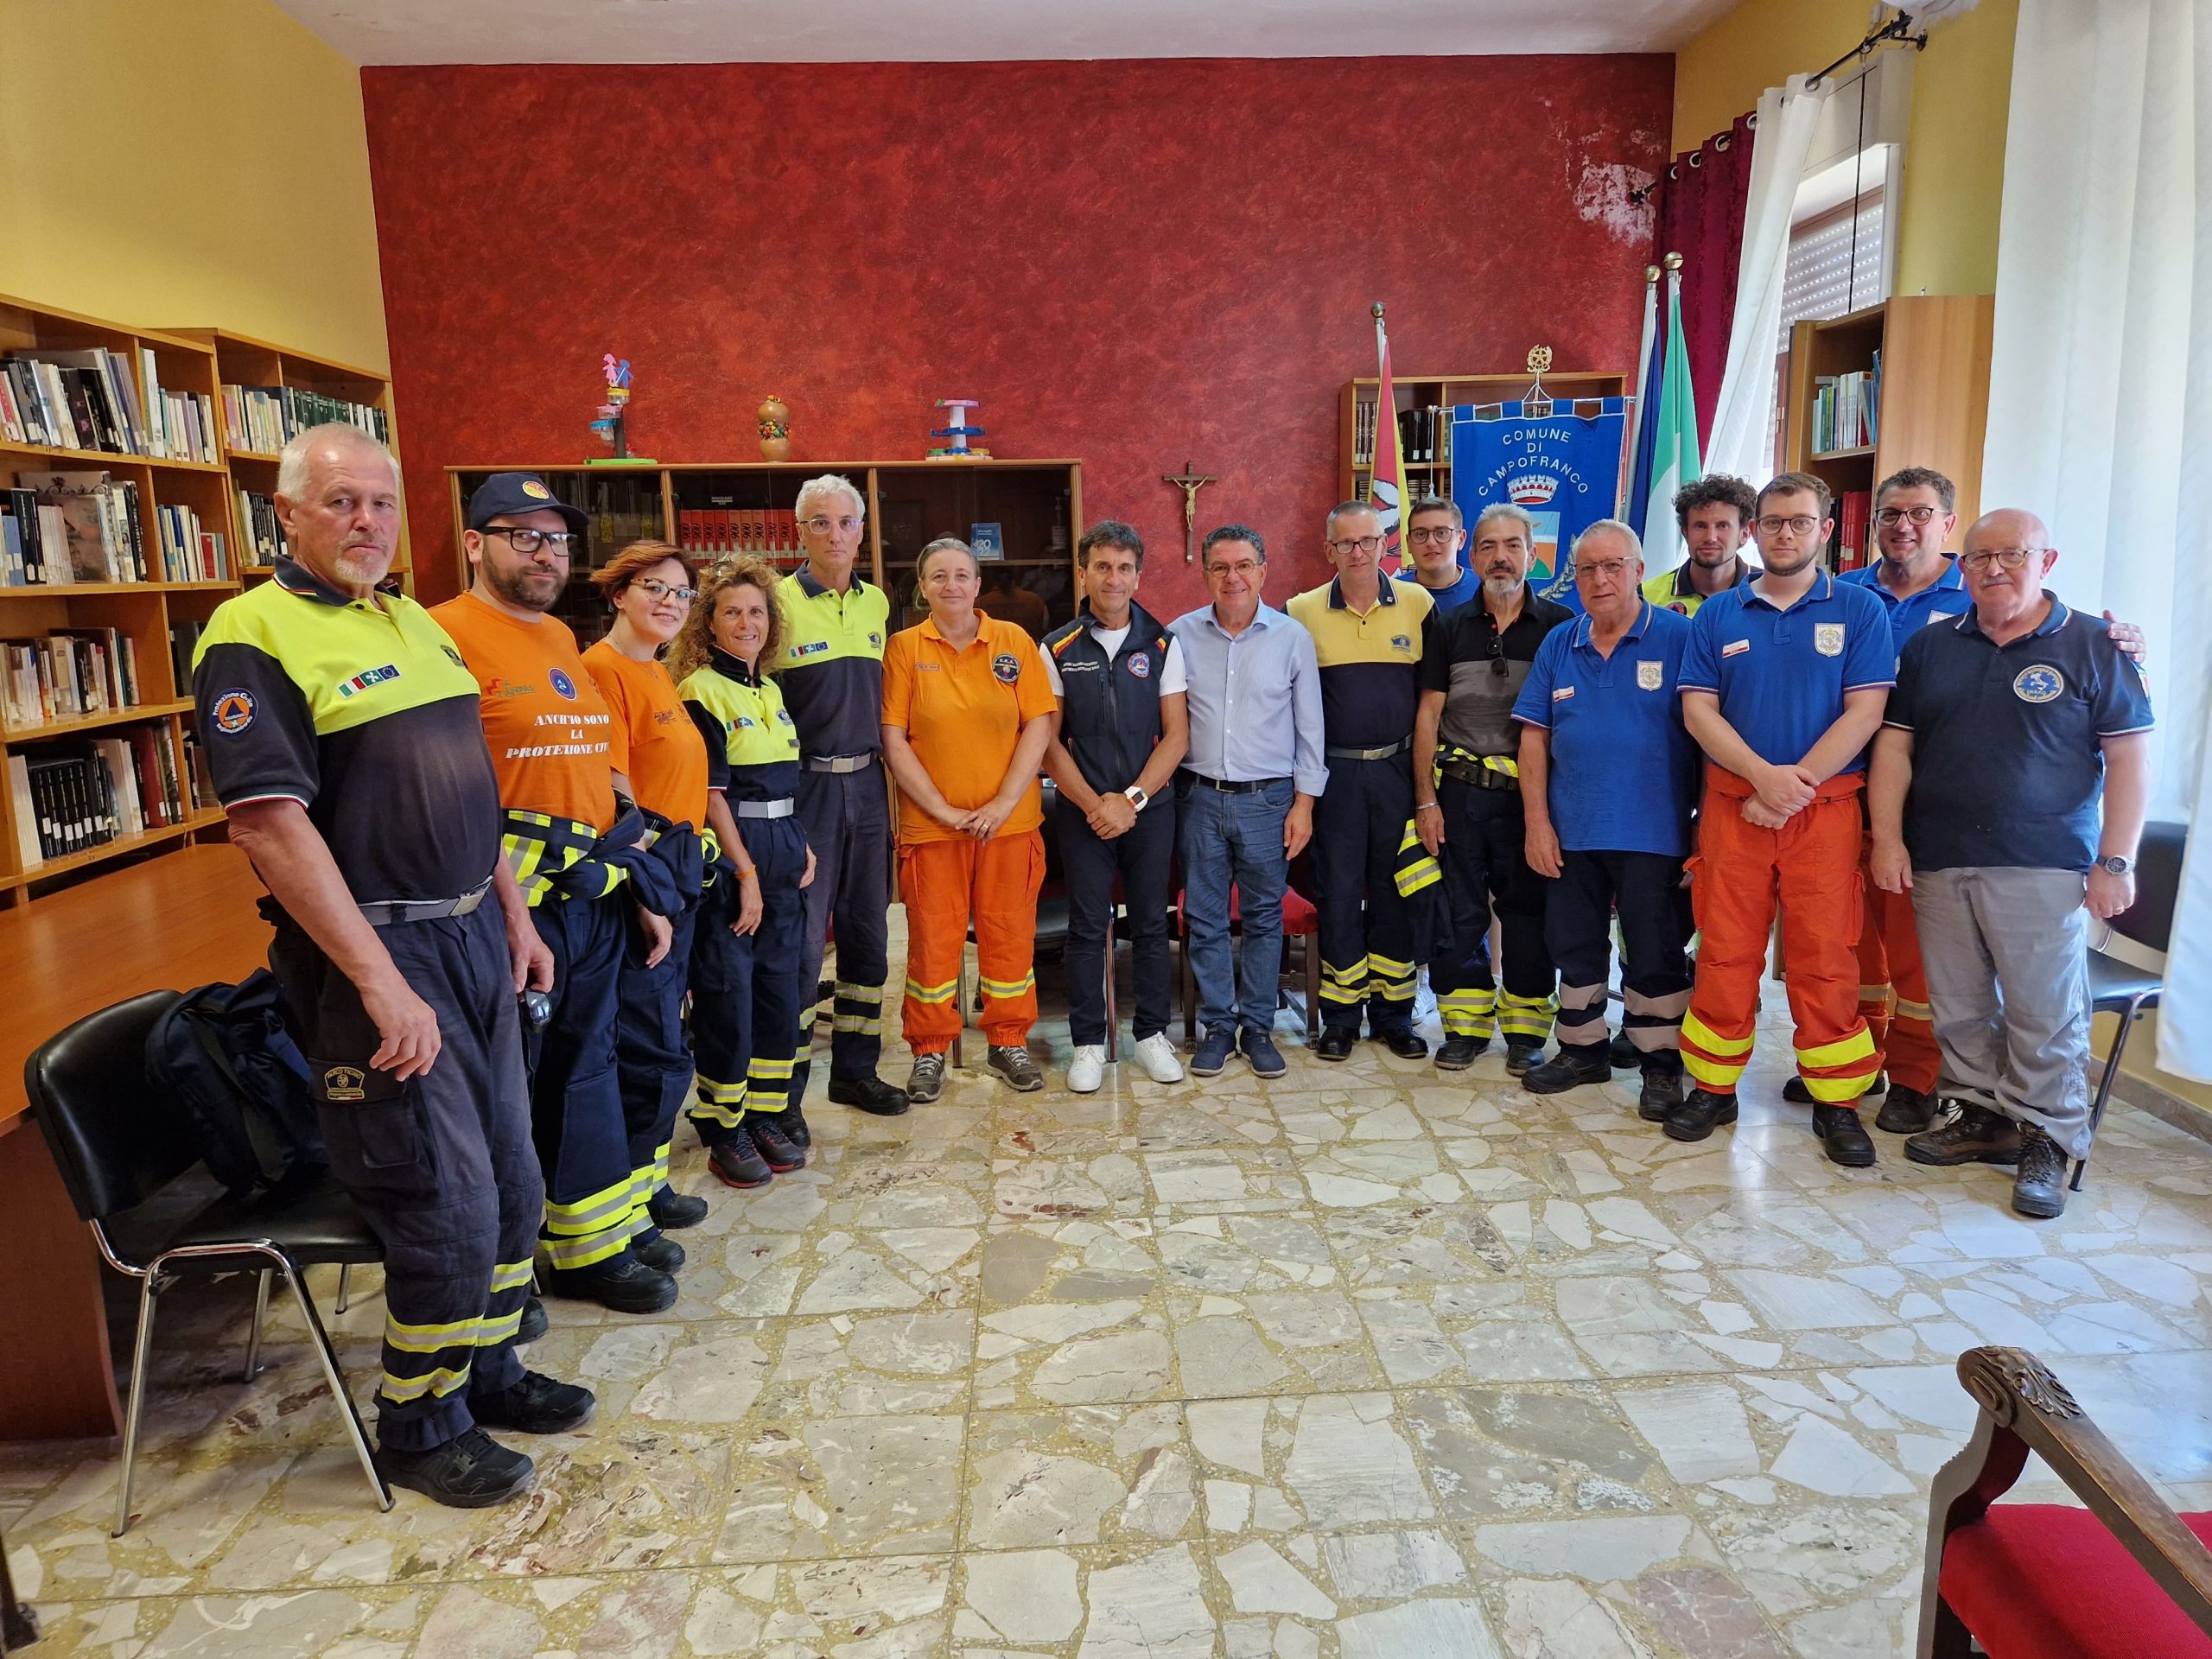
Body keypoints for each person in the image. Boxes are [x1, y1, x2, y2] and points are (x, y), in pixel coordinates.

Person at [194, 425, 591, 1508]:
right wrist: (376, 981)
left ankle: (489, 1372)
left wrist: (511, 909)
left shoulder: (409, 619)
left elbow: (471, 789)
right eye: (340, 504)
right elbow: (272, 826)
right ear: (286, 515)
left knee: (512, 1176)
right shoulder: (252, 636)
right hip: (384, 955)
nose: (366, 522)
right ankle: (419, 1424)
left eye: (380, 502)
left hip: (472, 934)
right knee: (441, 1198)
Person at [435, 474, 680, 1314]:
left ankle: (591, 1244)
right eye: (525, 536)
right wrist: (510, 913)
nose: (546, 554)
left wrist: (642, 885)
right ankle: (518, 1273)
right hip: (514, 912)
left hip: (591, 897)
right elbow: (459, 795)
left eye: (558, 541)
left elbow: (601, 780)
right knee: (515, 1092)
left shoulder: (560, 643)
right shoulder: (444, 639)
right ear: (475, 543)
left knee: (588, 1070)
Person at [1870, 510, 2153, 1218]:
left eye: (2012, 555)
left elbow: (2129, 759)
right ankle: (1980, 1116)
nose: (1994, 569)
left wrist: (2116, 860)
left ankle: (2048, 1137)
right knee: (1959, 1005)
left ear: (2047, 560)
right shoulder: (1933, 648)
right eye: (1980, 557)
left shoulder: (2096, 644)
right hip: (1939, 857)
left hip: (2044, 861)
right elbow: (1896, 749)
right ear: (1960, 566)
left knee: (2043, 1012)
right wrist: (1887, 838)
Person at [1673, 472, 1895, 1165]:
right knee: (1724, 948)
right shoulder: (1718, 615)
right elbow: (1698, 710)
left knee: (1825, 957)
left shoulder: (1859, 610)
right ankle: (1713, 1087)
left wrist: (1794, 785)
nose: (1784, 534)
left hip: (1823, 813)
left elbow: (1867, 711)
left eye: (1799, 522)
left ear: (1825, 530)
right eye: (1771, 522)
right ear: (1752, 530)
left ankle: (1836, 1101)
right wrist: (1761, 779)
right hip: (1734, 809)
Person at [1511, 521, 1698, 1119]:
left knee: (1654, 950)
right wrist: (1537, 824)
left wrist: (1704, 833)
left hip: (1657, 832)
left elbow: (1709, 737)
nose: (1600, 579)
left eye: (1613, 566)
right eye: (1587, 569)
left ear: (1640, 571)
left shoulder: (1680, 638)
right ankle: (1582, 1050)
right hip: (1572, 832)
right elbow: (1533, 742)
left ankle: (1661, 1067)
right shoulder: (1560, 644)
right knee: (1574, 946)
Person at [880, 536, 1058, 1102]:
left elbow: (1039, 725)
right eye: (939, 576)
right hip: (934, 829)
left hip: (1009, 825)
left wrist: (1004, 801)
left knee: (1009, 940)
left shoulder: (1013, 641)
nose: (951, 585)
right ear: (923, 587)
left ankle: (1008, 1042)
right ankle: (930, 1051)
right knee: (933, 944)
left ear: (978, 584)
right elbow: (893, 737)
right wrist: (943, 809)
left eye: (962, 575)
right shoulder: (904, 649)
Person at [580, 543, 714, 1266]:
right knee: (645, 1047)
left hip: (679, 876)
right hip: (645, 886)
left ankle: (648, 1184)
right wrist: (643, 896)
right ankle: (627, 1212)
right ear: (618, 595)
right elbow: (613, 794)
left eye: (680, 592)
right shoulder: (601, 673)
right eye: (652, 588)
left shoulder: (657, 670)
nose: (668, 601)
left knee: (666, 1038)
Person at [1412, 502, 1573, 1072]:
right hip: (1457, 795)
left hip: (1530, 799)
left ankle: (1527, 1036)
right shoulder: (1447, 626)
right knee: (1458, 914)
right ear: (1473, 555)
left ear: (1533, 554)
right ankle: (1464, 1030)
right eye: (1488, 546)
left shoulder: (1559, 627)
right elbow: (1428, 717)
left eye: (1512, 546)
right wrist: (1426, 801)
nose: (1500, 557)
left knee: (1528, 913)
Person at [672, 558, 817, 1186]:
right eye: (732, 611)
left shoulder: (772, 691)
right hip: (736, 854)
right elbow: (712, 795)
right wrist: (747, 871)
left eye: (756, 611)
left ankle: (764, 1115)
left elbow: (784, 781)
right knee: (730, 994)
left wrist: (801, 845)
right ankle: (723, 1126)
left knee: (778, 989)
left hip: (783, 843)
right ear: (709, 623)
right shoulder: (699, 690)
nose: (746, 622)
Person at [773, 474, 908, 1118]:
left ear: (862, 530)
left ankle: (855, 1070)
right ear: (799, 532)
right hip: (804, 790)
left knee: (866, 934)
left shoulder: (878, 603)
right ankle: (785, 1093)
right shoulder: (771, 605)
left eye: (846, 521)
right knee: (801, 947)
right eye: (820, 522)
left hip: (868, 787)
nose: (835, 534)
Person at [1171, 524, 1327, 1079]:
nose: (1232, 577)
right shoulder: (1180, 636)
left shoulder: (1291, 638)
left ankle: (1258, 1027)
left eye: (1243, 565)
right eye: (1220, 567)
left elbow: (1311, 728)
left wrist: (1305, 803)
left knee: (1264, 917)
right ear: (1205, 573)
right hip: (1199, 799)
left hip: (1270, 801)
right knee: (1206, 917)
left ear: (1263, 571)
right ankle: (1218, 1025)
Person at [1040, 520, 1190, 1092]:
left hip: (1148, 809)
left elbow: (1176, 736)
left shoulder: (1161, 644)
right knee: (1087, 925)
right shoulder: (1055, 646)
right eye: (1101, 566)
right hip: (1081, 812)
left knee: (1151, 923)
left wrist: (1130, 801)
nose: (1113, 577)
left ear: (1138, 575)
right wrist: (1094, 805)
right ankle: (1087, 1044)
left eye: (1124, 567)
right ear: (1083, 573)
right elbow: (1049, 742)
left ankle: (1152, 1036)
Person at [1287, 501, 1438, 1060]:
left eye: (1368, 541)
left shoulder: (1418, 604)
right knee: (1340, 895)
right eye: (1346, 543)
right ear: (1329, 550)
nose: (1358, 553)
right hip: (1336, 778)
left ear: (1384, 546)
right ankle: (1341, 1017)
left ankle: (1395, 1015)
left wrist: (1426, 791)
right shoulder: (1300, 611)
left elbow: (1431, 702)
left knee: (1398, 893)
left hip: (1400, 773)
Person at [1643, 474, 1759, 617]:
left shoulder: (1771, 591)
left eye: (1722, 526)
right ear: (1685, 533)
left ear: (1745, 534)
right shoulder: (1646, 598)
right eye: (1700, 526)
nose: (1710, 537)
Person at [1394, 496, 1480, 613]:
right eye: (1420, 534)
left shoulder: (1484, 590)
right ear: (1409, 543)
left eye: (1441, 533)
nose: (1431, 542)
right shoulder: (1392, 594)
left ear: (1461, 540)